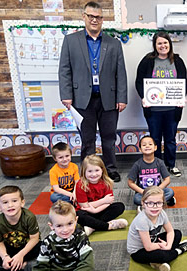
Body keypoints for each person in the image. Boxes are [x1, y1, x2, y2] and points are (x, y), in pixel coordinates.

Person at [59, 1, 127, 182]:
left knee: (109, 138)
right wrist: (66, 95)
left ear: (103, 19)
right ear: (84, 17)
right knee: (87, 139)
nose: (94, 20)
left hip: (109, 99)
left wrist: (122, 98)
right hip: (81, 99)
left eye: (98, 17)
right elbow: (65, 69)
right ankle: (87, 172)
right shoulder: (71, 41)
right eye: (91, 16)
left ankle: (110, 169)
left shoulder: (113, 44)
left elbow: (120, 72)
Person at [135, 31, 187, 177]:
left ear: (169, 44)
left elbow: (184, 82)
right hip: (153, 109)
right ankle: (157, 166)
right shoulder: (147, 61)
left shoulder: (177, 61)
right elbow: (139, 81)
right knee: (155, 138)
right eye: (159, 43)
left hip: (173, 109)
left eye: (165, 42)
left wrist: (182, 97)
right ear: (155, 45)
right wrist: (143, 97)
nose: (163, 46)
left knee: (170, 138)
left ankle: (171, 165)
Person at [127, 186, 187, 271]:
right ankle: (179, 250)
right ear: (143, 203)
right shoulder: (142, 221)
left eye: (158, 203)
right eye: (150, 203)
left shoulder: (162, 213)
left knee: (177, 233)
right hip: (139, 251)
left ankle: (159, 260)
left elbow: (170, 231)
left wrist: (168, 246)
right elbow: (148, 247)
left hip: (153, 241)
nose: (155, 207)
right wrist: (162, 245)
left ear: (163, 203)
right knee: (162, 256)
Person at [0, 186, 40, 271]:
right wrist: (5, 257)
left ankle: (3, 266)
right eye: (5, 202)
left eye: (14, 201)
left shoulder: (29, 217)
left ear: (22, 203)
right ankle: (23, 265)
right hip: (10, 249)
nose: (10, 205)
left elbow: (34, 238)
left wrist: (20, 255)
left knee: (44, 246)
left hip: (27, 248)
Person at [75, 154, 127, 236]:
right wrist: (103, 201)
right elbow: (84, 206)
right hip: (87, 211)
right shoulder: (80, 184)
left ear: (102, 170)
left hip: (101, 209)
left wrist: (96, 210)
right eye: (89, 171)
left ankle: (92, 227)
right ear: (84, 171)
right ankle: (108, 226)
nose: (94, 174)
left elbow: (109, 202)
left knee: (120, 206)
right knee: (78, 215)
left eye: (97, 170)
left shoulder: (107, 182)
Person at [128, 136, 176, 210]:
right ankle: (159, 202)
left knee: (170, 192)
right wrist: (143, 191)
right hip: (144, 193)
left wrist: (158, 189)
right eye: (144, 145)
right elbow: (130, 183)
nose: (147, 146)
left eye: (150, 144)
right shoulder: (137, 164)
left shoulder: (160, 162)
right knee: (136, 199)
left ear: (155, 147)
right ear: (140, 149)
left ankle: (149, 203)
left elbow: (167, 179)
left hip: (158, 190)